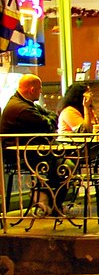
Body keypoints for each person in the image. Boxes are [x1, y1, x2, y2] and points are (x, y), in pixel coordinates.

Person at [1, 74, 63, 214]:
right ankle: (50, 200)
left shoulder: (25, 104)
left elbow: (51, 116)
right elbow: (47, 126)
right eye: (39, 89)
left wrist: (50, 119)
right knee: (63, 164)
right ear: (32, 89)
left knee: (64, 162)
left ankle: (50, 200)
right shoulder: (22, 108)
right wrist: (50, 120)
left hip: (31, 152)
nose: (41, 92)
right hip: (22, 156)